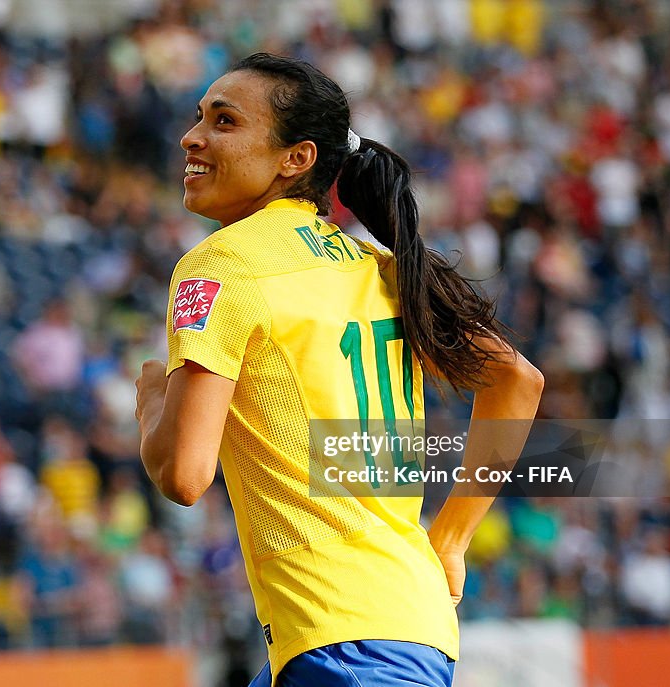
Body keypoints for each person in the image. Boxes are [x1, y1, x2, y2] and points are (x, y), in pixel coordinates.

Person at [134, 53, 543, 687]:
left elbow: (184, 474)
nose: (193, 136)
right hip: (405, 626)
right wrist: (452, 540)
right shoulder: (376, 265)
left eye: (224, 121)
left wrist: (151, 406)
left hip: (344, 643)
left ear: (294, 158)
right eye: (198, 118)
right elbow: (517, 381)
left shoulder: (222, 265)